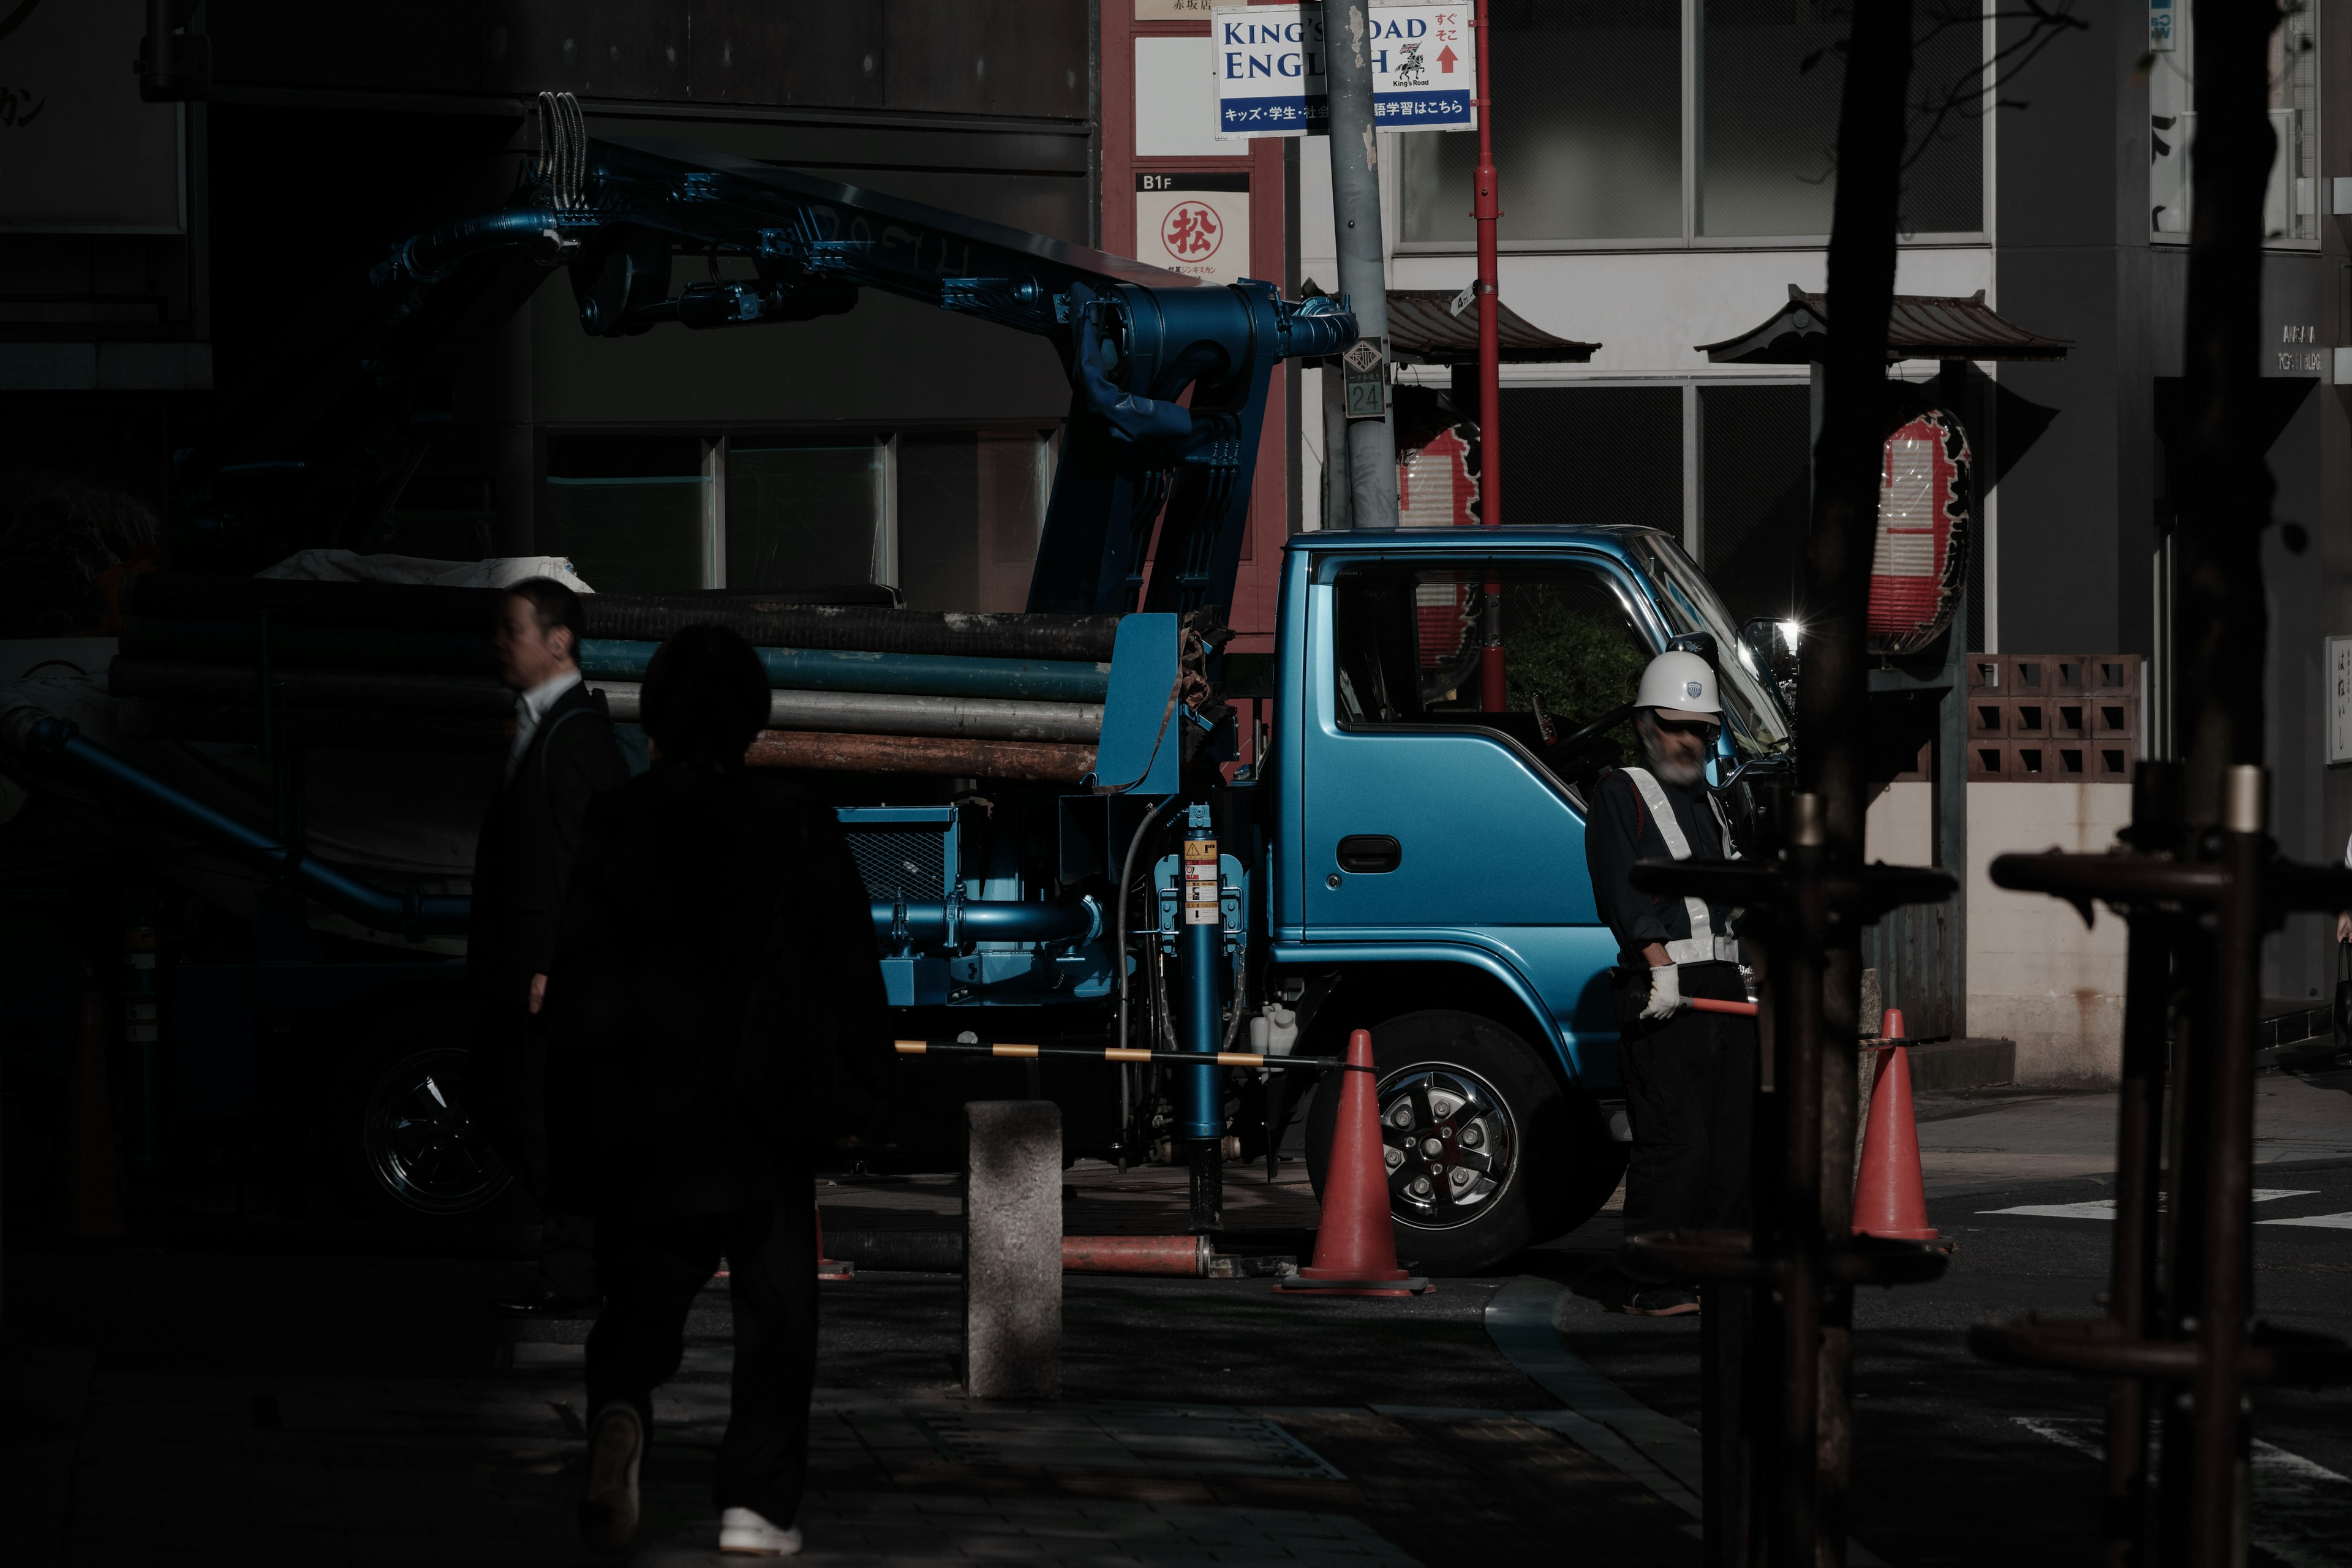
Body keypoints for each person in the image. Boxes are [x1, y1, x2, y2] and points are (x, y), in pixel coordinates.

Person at [545, 624, 891, 1558]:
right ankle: (756, 1503)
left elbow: (578, 973)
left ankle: (620, 1411)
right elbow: (850, 973)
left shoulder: (618, 817)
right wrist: (864, 1090)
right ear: (752, 719)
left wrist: (569, 1102)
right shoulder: (796, 821)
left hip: (645, 1107)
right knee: (777, 1310)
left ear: (653, 716)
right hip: (761, 1115)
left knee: (642, 1294)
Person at [470, 577, 630, 1317]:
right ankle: (585, 1258)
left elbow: (586, 856)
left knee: (538, 1117)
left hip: (549, 974)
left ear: (558, 639)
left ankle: (580, 1269)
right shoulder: (541, 722)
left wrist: (554, 963)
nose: (501, 644)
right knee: (513, 1108)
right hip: (524, 967)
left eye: (514, 630)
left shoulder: (576, 731)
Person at [1581, 650, 1756, 1318]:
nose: (1691, 740)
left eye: (1703, 730)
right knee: (1678, 1144)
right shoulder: (1619, 792)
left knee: (1733, 1143)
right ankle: (1653, 1283)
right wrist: (1657, 964)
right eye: (1677, 725)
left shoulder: (1711, 802)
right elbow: (1625, 889)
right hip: (1664, 988)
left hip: (1723, 987)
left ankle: (1716, 1269)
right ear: (1646, 724)